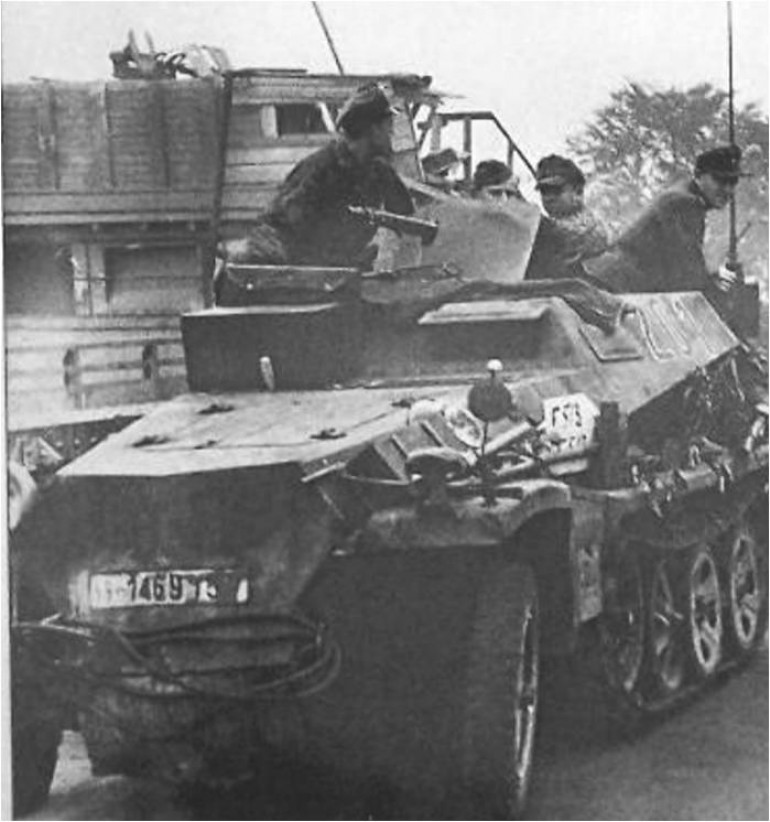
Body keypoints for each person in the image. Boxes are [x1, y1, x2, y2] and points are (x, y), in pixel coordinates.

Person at [220, 83, 415, 272]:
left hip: (344, 274)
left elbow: (407, 217)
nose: (392, 134)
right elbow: (282, 231)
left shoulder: (379, 171)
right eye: (387, 127)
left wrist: (386, 243)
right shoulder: (319, 171)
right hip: (301, 277)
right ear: (372, 130)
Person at [585, 145, 745, 294]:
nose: (728, 190)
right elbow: (687, 270)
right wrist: (712, 282)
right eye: (720, 181)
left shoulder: (688, 199)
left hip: (621, 282)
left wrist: (711, 277)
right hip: (614, 284)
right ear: (698, 175)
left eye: (733, 182)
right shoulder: (685, 202)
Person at [525, 154, 611, 280]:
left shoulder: (588, 226)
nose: (549, 197)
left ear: (578, 192)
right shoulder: (549, 227)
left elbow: (564, 232)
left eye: (556, 190)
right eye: (544, 191)